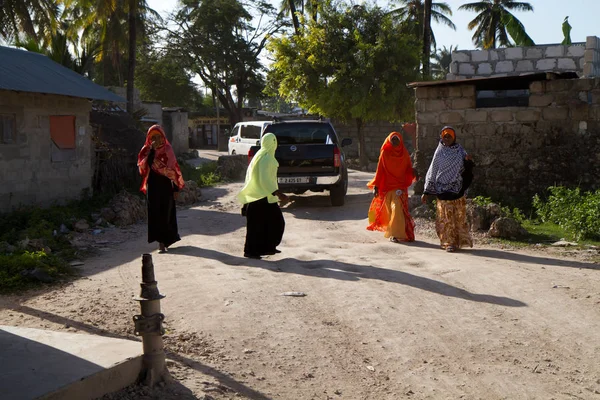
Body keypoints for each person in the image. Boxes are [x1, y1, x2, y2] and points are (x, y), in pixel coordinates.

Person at [421, 126, 474, 252]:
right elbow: (433, 171)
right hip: (442, 190)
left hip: (457, 189)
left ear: (454, 137)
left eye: (449, 136)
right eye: (445, 136)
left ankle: (458, 241)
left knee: (458, 218)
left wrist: (468, 161)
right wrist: (426, 191)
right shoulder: (439, 152)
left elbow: (467, 168)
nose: (447, 139)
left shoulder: (460, 151)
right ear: (441, 137)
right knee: (445, 218)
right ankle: (448, 242)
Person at [238, 133, 288, 259]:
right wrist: (277, 193)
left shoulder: (259, 156)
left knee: (265, 224)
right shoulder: (266, 158)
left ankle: (267, 248)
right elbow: (265, 179)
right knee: (273, 223)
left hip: (259, 196)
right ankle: (252, 251)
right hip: (262, 197)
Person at [137, 125, 185, 253]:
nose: (156, 139)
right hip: (153, 187)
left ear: (163, 137)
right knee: (155, 214)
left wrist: (175, 189)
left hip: (165, 187)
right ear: (149, 138)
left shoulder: (168, 149)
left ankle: (168, 239)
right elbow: (143, 166)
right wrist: (152, 150)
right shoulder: (146, 150)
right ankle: (161, 243)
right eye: (153, 137)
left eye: (158, 136)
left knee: (166, 213)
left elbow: (174, 170)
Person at [367, 132, 416, 243]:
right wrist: (376, 185)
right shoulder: (385, 153)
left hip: (401, 187)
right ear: (389, 141)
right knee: (390, 211)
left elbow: (408, 169)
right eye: (393, 140)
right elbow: (380, 170)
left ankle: (394, 234)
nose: (394, 142)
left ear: (400, 141)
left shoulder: (404, 153)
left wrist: (413, 172)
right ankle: (397, 232)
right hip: (388, 187)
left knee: (397, 208)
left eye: (396, 140)